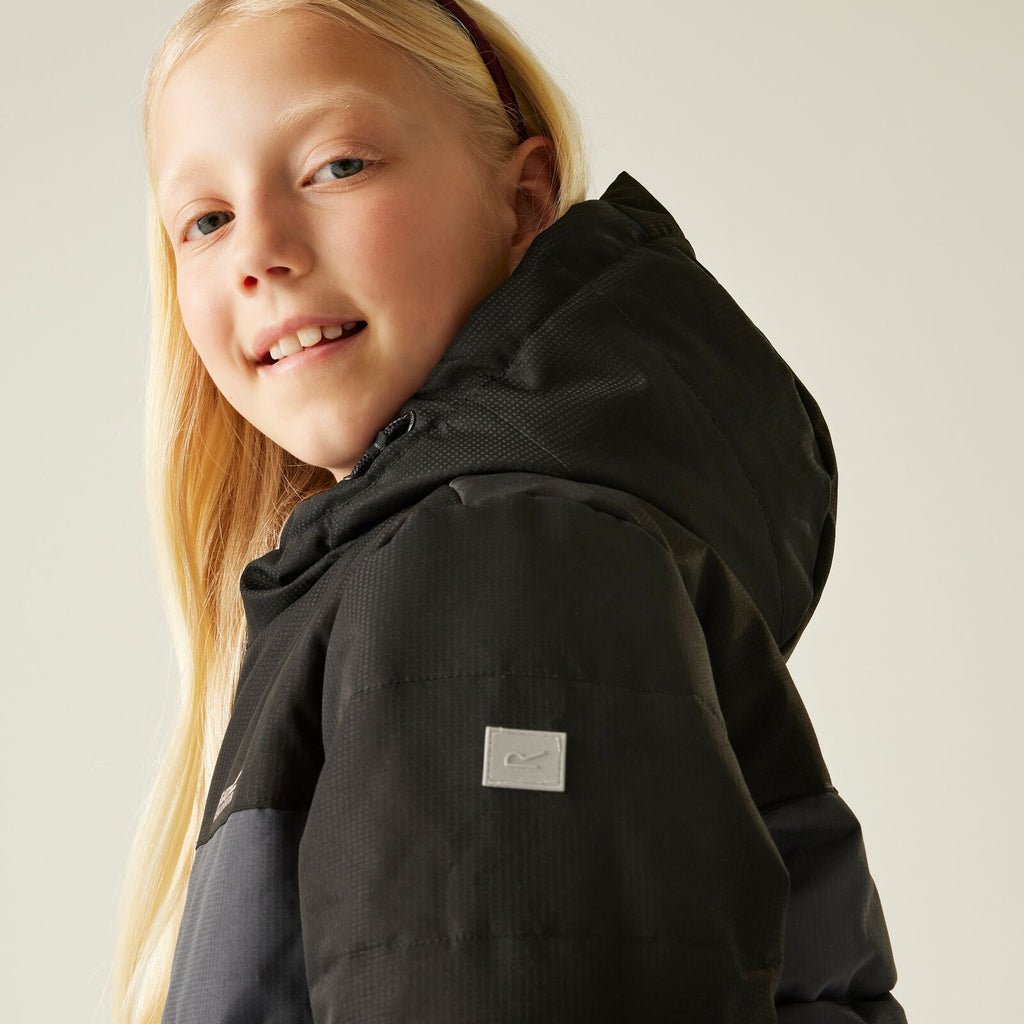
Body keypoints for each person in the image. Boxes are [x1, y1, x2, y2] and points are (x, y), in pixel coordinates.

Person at [111, 1, 908, 1021]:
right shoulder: (484, 551)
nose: (258, 251)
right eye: (206, 219)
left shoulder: (492, 562)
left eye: (336, 166)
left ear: (524, 196)